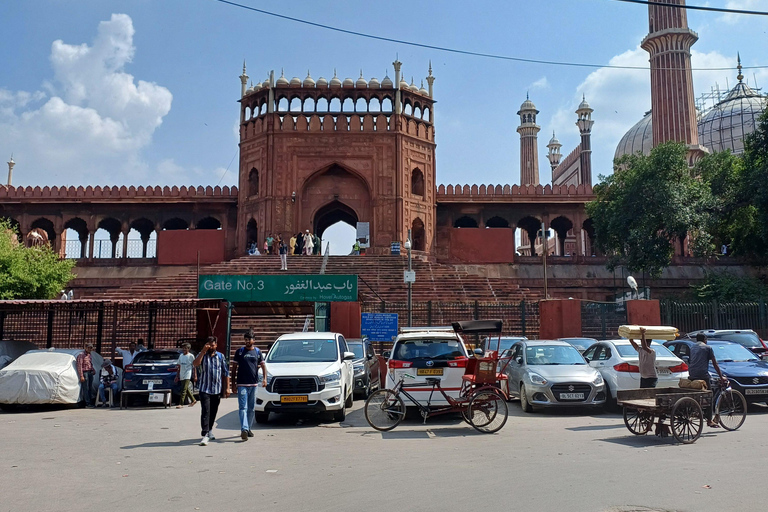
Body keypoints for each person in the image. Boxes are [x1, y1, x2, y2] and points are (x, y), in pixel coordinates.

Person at [193, 337, 230, 446]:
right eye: (209, 345)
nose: (211, 347)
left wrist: (227, 388)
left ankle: (210, 430)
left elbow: (226, 372)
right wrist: (203, 351)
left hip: (216, 389)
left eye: (213, 345)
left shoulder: (220, 356)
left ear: (216, 345)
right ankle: (205, 435)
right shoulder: (202, 355)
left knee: (213, 411)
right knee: (206, 411)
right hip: (205, 388)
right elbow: (195, 363)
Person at [232, 330, 267, 440]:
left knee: (251, 408)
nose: (247, 341)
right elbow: (234, 369)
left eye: (249, 339)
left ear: (254, 340)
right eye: (246, 340)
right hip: (242, 384)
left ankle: (248, 428)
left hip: (254, 384)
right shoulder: (240, 352)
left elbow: (263, 366)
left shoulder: (257, 352)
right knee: (243, 407)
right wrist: (233, 384)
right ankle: (244, 430)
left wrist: (265, 379)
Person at [688, 332, 728, 428]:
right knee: (709, 396)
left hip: (692, 375)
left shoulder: (692, 348)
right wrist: (721, 377)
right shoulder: (707, 348)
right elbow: (715, 364)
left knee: (698, 395)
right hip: (702, 375)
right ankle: (709, 420)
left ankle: (699, 410)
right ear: (705, 339)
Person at [175, 343, 197, 408]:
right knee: (186, 388)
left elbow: (194, 366)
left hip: (188, 373)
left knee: (183, 389)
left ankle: (181, 403)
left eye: (185, 348)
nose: (184, 349)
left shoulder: (191, 356)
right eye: (183, 348)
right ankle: (193, 399)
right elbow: (179, 366)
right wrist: (177, 375)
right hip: (182, 373)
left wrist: (195, 375)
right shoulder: (181, 356)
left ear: (188, 349)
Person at [76, 344, 96, 408]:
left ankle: (90, 401)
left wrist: (93, 369)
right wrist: (81, 375)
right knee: (86, 388)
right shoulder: (81, 355)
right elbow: (79, 366)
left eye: (91, 348)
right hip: (85, 372)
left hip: (90, 372)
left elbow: (90, 364)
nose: (90, 349)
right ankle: (87, 403)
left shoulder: (89, 355)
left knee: (90, 388)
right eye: (89, 348)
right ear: (85, 347)